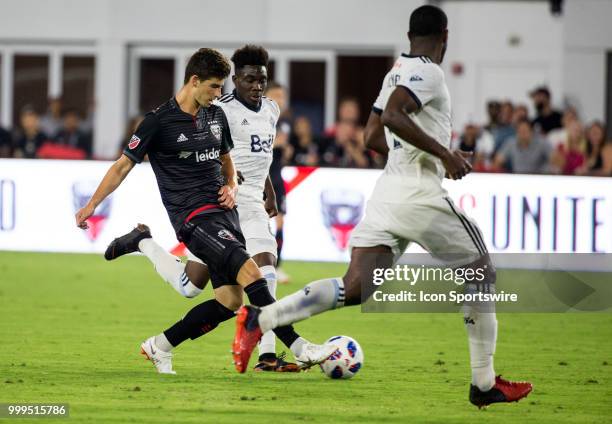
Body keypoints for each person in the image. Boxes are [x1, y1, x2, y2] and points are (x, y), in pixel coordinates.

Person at [233, 5, 533, 408]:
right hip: (419, 194)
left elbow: (373, 134)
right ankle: (483, 383)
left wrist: (422, 152)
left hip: (388, 191)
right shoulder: (429, 71)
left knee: (354, 287)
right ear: (445, 35)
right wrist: (442, 155)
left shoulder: (396, 70)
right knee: (481, 271)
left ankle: (261, 318)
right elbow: (392, 117)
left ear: (410, 35)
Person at [75, 47, 334, 375]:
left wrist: (232, 186)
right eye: (214, 87)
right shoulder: (158, 122)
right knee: (254, 274)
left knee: (229, 301)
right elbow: (122, 167)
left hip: (225, 213)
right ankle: (301, 348)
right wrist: (91, 205)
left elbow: (228, 160)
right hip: (193, 219)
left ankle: (160, 345)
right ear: (194, 81)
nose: (219, 94)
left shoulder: (214, 115)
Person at [264, 82, 293, 284]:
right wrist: (275, 144)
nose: (279, 100)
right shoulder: (261, 120)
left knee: (280, 221)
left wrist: (286, 151)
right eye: (275, 95)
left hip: (277, 178)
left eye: (282, 96)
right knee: (259, 221)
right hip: (261, 179)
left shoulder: (284, 123)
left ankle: (276, 266)